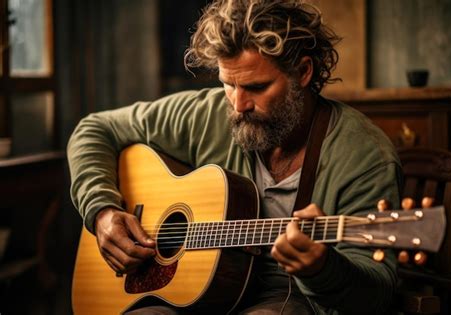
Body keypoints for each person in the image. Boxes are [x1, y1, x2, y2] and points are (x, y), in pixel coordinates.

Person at [67, 0, 402, 314]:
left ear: (303, 72)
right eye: (228, 84)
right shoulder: (207, 113)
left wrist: (321, 268)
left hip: (288, 300)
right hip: (191, 296)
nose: (238, 105)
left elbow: (377, 291)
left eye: (256, 87)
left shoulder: (364, 156)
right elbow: (94, 128)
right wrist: (102, 211)